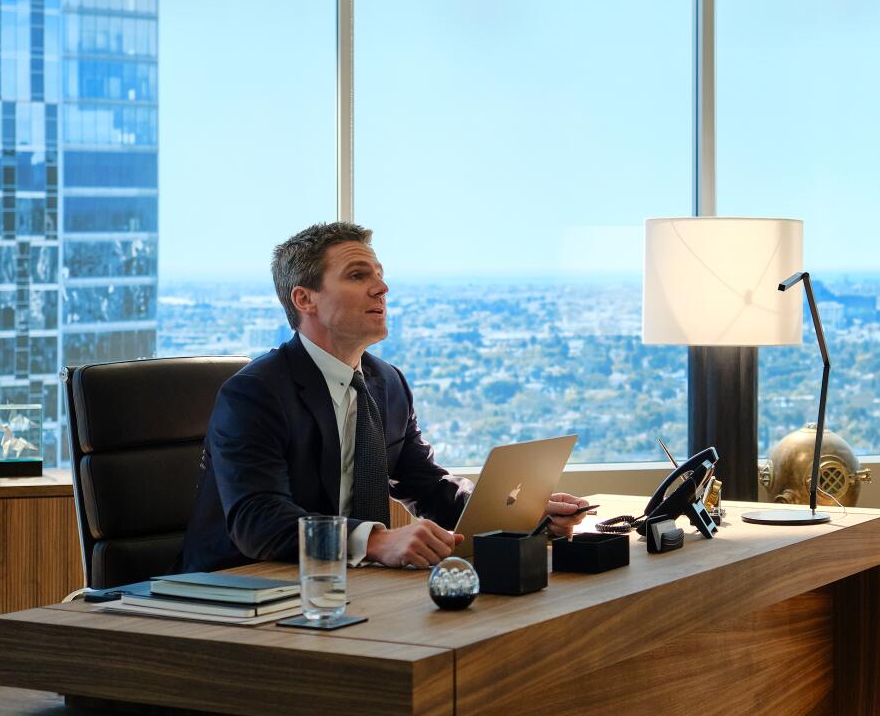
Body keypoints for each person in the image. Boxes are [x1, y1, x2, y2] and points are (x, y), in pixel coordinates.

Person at [181, 221, 589, 572]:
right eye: (359, 276)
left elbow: (428, 485)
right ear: (305, 299)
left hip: (344, 583)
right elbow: (258, 521)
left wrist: (522, 513)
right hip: (239, 591)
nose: (382, 288)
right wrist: (375, 542)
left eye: (378, 275)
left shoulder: (387, 382)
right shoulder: (255, 393)